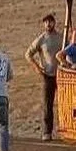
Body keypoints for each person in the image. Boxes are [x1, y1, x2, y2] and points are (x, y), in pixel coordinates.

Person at [25, 11, 63, 141]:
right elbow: (28, 54)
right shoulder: (41, 39)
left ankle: (64, 127)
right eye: (46, 22)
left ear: (54, 23)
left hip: (62, 74)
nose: (48, 24)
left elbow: (69, 49)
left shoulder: (61, 37)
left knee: (64, 102)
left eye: (50, 22)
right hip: (48, 75)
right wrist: (37, 67)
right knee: (48, 104)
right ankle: (47, 131)